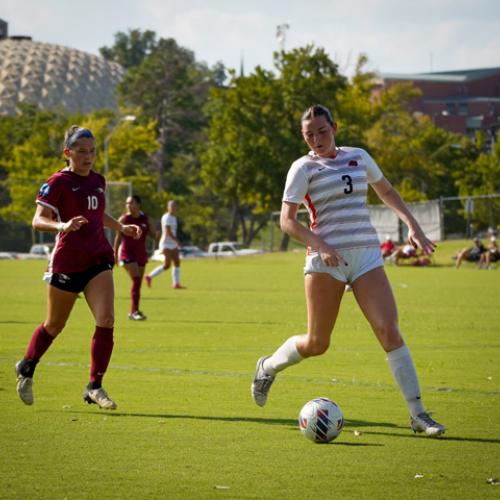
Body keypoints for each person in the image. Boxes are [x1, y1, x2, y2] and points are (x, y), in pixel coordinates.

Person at [251, 104, 446, 437]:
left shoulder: (359, 156)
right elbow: (287, 221)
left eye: (322, 131)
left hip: (367, 256)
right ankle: (268, 366)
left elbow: (386, 190)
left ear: (335, 127)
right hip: (325, 262)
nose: (316, 139)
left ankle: (418, 415)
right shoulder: (302, 168)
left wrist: (412, 225)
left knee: (389, 331)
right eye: (309, 134)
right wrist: (321, 244)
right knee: (317, 343)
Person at [15, 125, 141, 410]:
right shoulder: (58, 182)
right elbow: (38, 219)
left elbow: (97, 214)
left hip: (98, 259)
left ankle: (94, 386)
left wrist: (120, 226)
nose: (88, 157)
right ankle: (27, 366)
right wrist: (63, 225)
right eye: (82, 151)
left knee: (106, 319)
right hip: (67, 263)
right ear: (67, 153)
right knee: (55, 325)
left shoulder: (98, 180)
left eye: (92, 151)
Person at [113, 195, 156, 320]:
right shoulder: (124, 219)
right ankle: (134, 312)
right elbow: (118, 238)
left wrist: (156, 234)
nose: (128, 205)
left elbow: (154, 235)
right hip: (127, 254)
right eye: (127, 203)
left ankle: (134, 310)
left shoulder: (146, 219)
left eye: (131, 203)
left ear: (138, 204)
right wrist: (114, 254)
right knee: (136, 280)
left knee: (138, 284)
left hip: (141, 254)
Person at [145, 200, 184, 289]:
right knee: (167, 265)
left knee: (177, 262)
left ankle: (176, 283)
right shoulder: (166, 217)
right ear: (168, 207)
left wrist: (175, 242)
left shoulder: (173, 218)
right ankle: (149, 276)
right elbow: (168, 232)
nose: (174, 208)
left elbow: (173, 231)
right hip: (166, 244)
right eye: (172, 206)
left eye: (175, 206)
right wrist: (177, 241)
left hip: (172, 244)